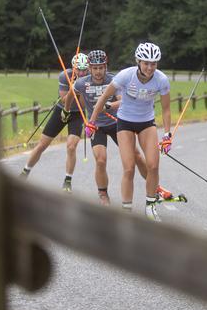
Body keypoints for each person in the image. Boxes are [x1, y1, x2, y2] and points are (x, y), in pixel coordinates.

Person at [64, 49, 174, 206]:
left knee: (136, 155)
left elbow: (124, 101)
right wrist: (66, 111)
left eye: (101, 67)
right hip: (97, 127)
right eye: (94, 68)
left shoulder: (114, 79)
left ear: (106, 67)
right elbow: (70, 95)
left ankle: (155, 187)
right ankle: (103, 193)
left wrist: (108, 106)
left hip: (116, 122)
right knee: (100, 160)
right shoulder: (82, 82)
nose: (98, 71)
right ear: (89, 68)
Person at [20, 53, 89, 191]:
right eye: (79, 69)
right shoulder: (65, 75)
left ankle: (67, 181)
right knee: (42, 145)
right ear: (73, 68)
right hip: (61, 110)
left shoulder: (89, 80)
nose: (81, 72)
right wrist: (73, 86)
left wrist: (80, 88)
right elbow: (64, 100)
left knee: (71, 146)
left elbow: (83, 104)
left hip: (77, 114)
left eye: (84, 69)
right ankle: (25, 172)